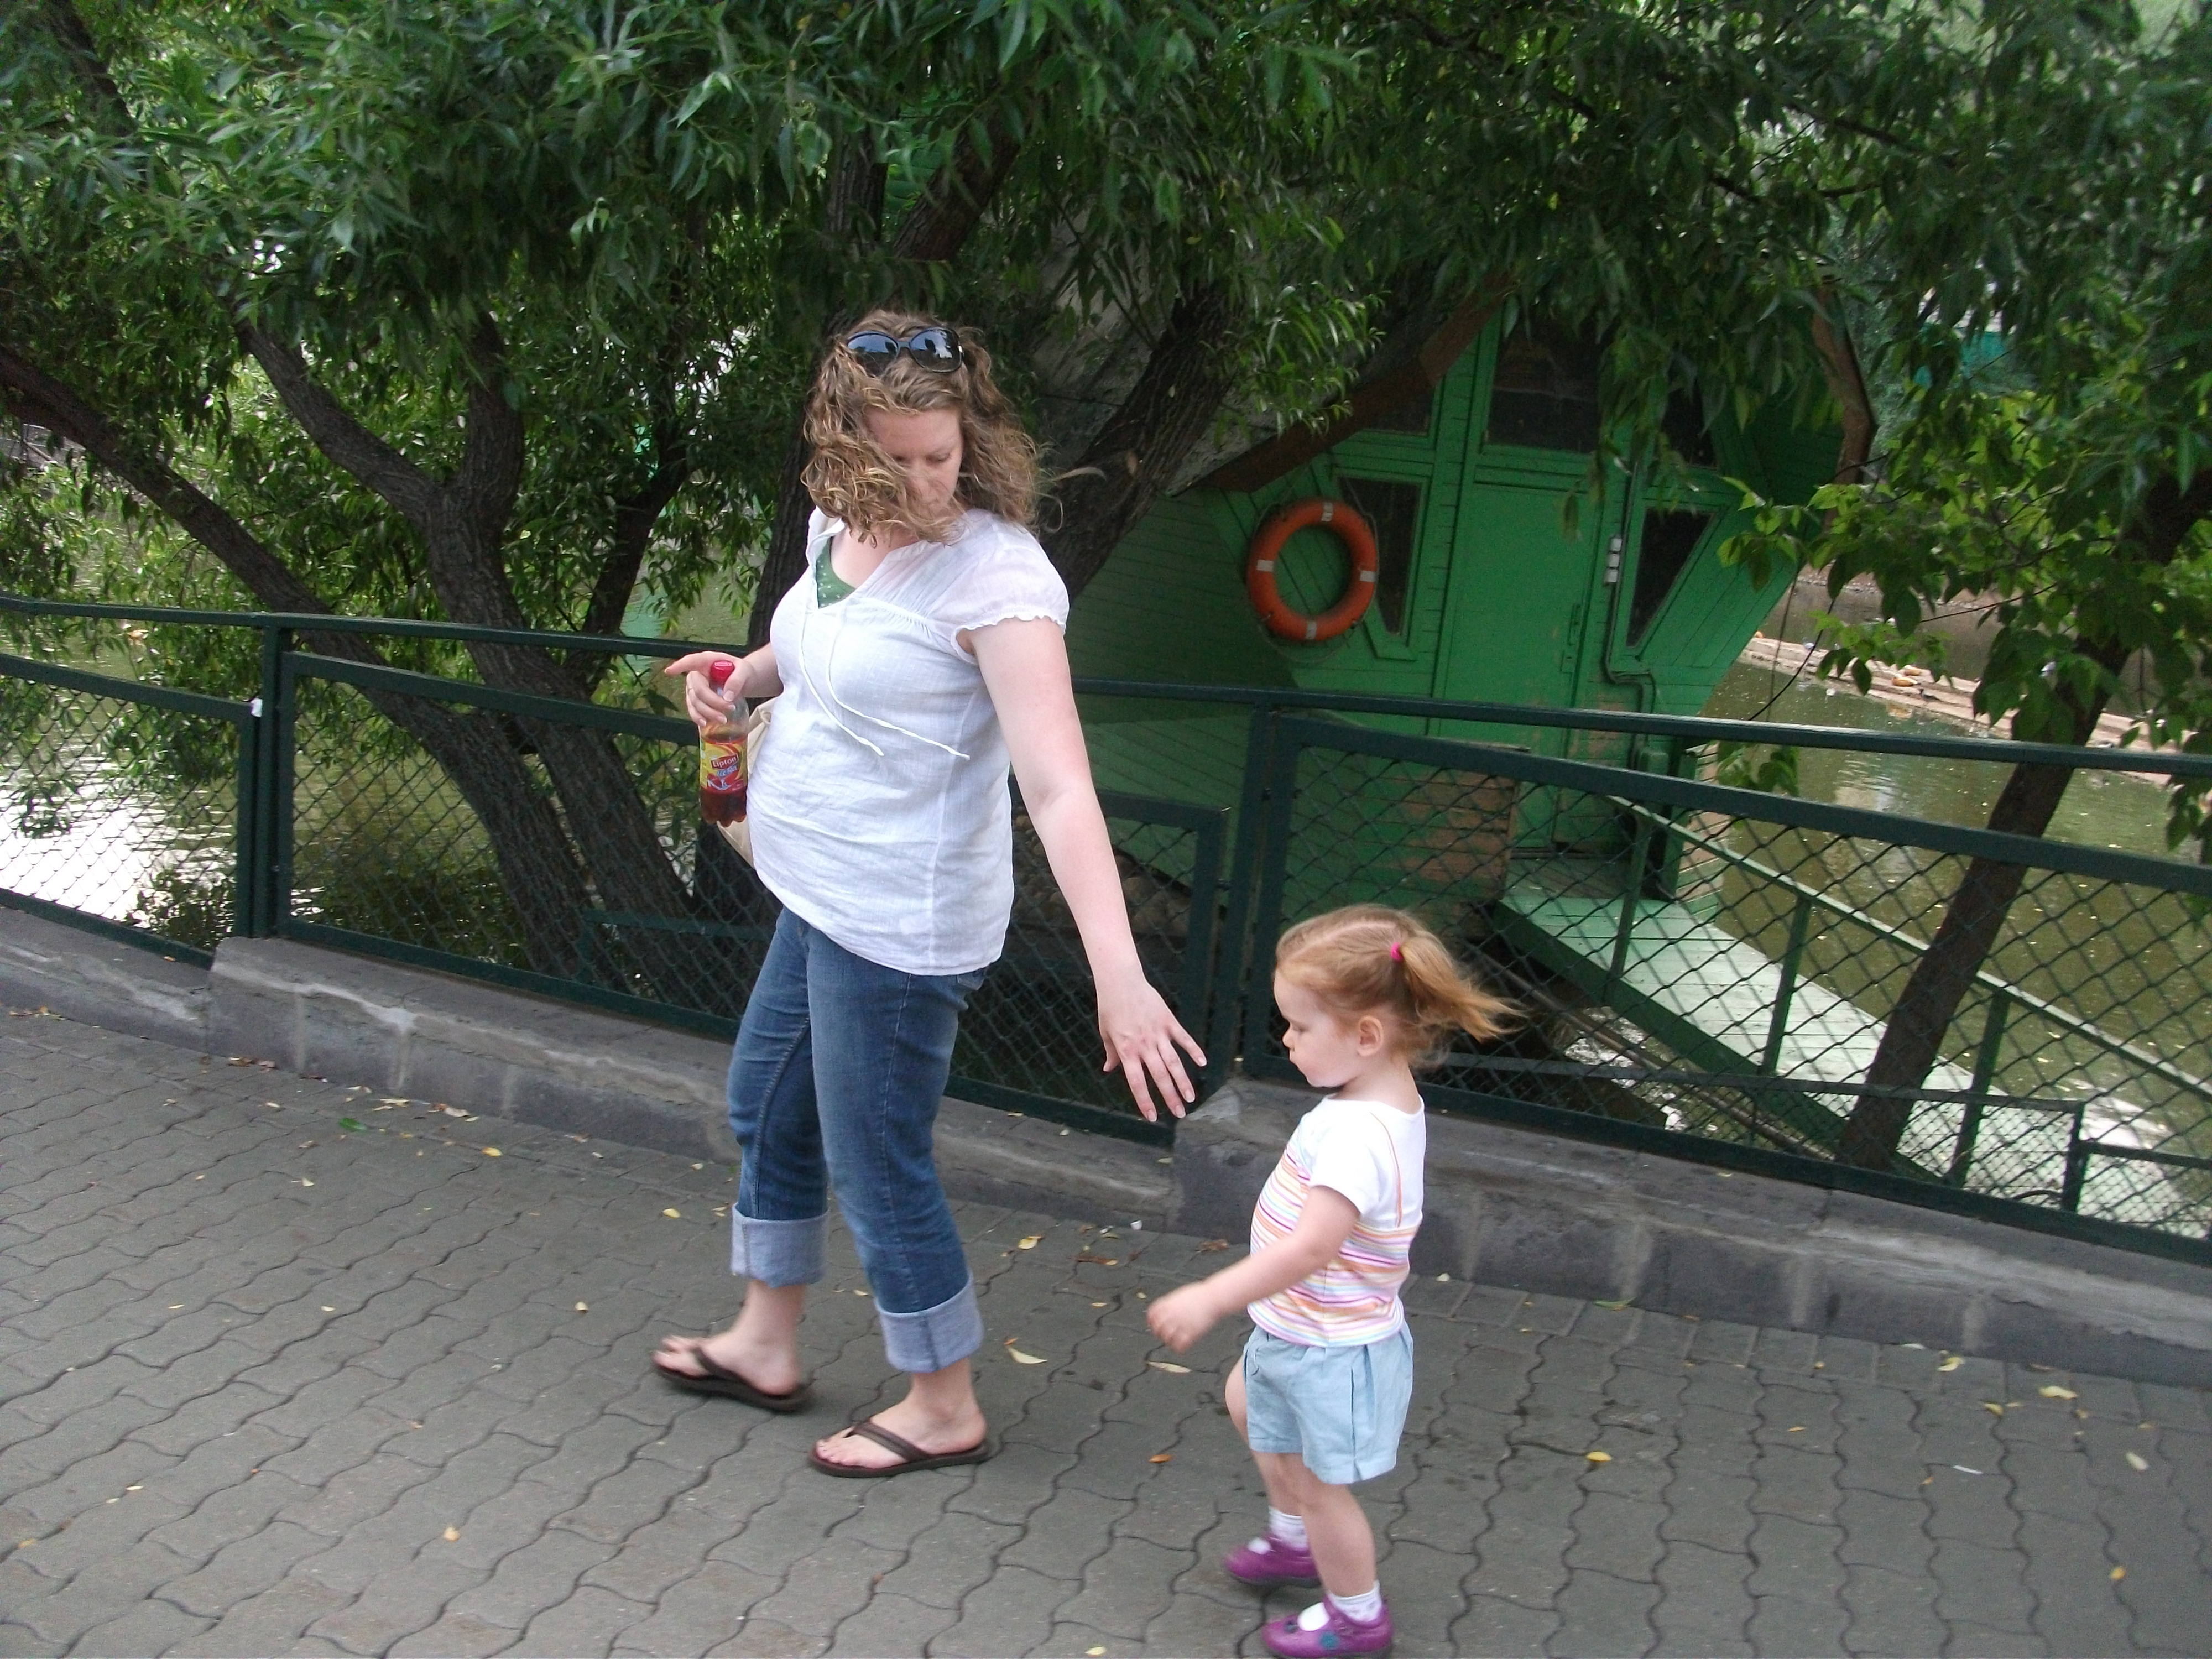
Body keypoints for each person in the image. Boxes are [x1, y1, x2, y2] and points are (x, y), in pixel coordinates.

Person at [651, 312, 1206, 1477]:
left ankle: (943, 1401)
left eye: (938, 457)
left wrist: (1118, 974)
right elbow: (817, 648)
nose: (917, 482)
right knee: (768, 1106)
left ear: (972, 439)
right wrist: (737, 679)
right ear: (844, 445)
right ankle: (764, 1342)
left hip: (900, 925)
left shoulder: (999, 580)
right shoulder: (836, 525)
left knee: (876, 1158)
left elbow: (1058, 787)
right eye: (890, 459)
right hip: (815, 888)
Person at [1147, 905, 1511, 1657]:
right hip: (1298, 1329)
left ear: (1366, 1036)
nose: (1286, 1040)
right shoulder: (1372, 1097)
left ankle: (1356, 1613)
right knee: (1249, 1403)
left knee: (1320, 1487)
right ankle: (1294, 1542)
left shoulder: (1359, 1135)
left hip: (1332, 1348)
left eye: (1300, 1026)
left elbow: (1314, 1246)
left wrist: (1212, 1296)